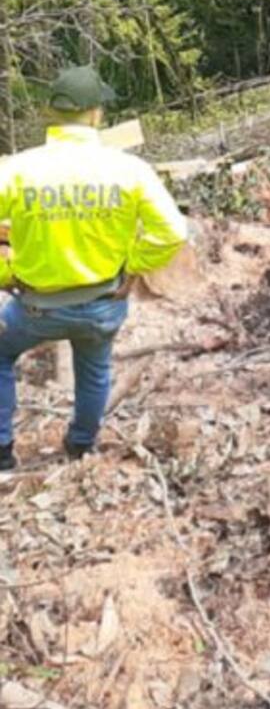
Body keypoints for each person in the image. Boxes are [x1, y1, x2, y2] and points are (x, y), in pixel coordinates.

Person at [0, 67, 189, 469]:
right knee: (95, 370)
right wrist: (133, 268)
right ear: (95, 114)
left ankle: (1, 451)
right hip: (104, 301)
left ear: (53, 113)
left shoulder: (17, 169)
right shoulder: (128, 168)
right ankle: (80, 446)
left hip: (36, 308)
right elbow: (173, 231)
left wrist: (5, 274)